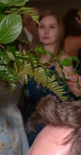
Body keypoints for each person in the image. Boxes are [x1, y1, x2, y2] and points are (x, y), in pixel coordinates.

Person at [24, 10, 77, 144]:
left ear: (59, 31)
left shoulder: (64, 61)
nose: (46, 31)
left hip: (54, 128)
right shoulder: (29, 61)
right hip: (28, 126)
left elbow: (74, 96)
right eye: (42, 26)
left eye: (52, 27)